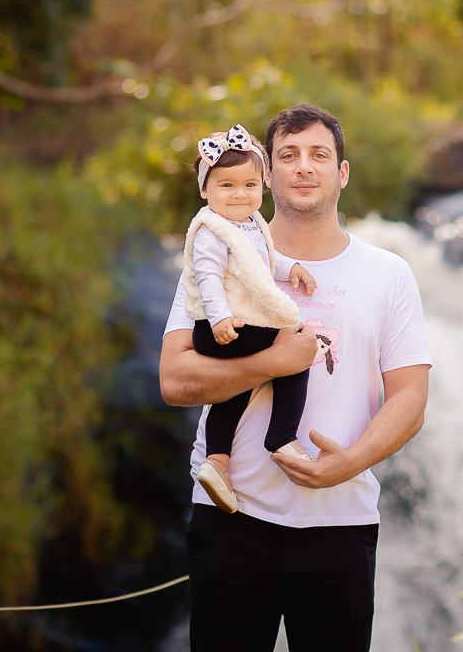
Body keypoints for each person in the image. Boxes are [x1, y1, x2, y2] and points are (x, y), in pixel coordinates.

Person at [159, 104, 432, 652]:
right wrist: (273, 363)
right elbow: (175, 378)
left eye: (319, 155)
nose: (303, 167)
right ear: (266, 173)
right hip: (232, 518)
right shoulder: (216, 254)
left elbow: (411, 398)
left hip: (342, 524)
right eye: (287, 155)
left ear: (342, 172)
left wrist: (351, 462)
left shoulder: (389, 273)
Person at [183, 123, 320, 515]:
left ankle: (217, 464)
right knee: (295, 351)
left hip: (230, 326)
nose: (240, 194)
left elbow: (259, 264)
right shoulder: (212, 229)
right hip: (221, 326)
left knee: (236, 388)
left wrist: (290, 267)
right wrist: (220, 318)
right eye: (226, 186)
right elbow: (208, 277)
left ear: (263, 186)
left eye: (249, 185)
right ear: (205, 190)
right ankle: (281, 437)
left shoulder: (249, 226)